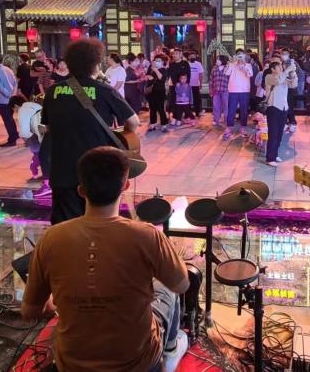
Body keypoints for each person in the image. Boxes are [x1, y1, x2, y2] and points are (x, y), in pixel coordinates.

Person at [21, 147, 189, 371]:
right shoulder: (147, 235)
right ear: (125, 185)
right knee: (165, 288)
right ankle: (170, 350)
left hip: (72, 365)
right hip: (138, 364)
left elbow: (29, 312)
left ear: (81, 190)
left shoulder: (51, 238)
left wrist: (56, 300)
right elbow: (181, 284)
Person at [42, 38, 139, 224]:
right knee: (98, 224)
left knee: (65, 226)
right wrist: (120, 136)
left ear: (69, 64)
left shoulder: (53, 91)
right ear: (95, 65)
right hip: (96, 171)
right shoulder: (104, 90)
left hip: (62, 171)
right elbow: (133, 122)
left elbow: (48, 126)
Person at [263, 60, 297, 166]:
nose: (281, 68)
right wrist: (287, 71)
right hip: (273, 108)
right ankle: (270, 158)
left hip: (283, 108)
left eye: (281, 67)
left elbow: (293, 84)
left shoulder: (283, 77)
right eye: (279, 67)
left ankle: (275, 154)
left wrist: (293, 73)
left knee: (279, 134)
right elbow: (278, 81)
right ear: (273, 69)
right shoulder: (269, 77)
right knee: (273, 134)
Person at [223, 52, 254, 140]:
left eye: (241, 57)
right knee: (231, 109)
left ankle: (243, 127)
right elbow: (226, 73)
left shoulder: (248, 65)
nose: (240, 58)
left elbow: (250, 74)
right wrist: (231, 63)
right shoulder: (232, 64)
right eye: (238, 57)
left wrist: (244, 65)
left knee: (244, 110)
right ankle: (229, 127)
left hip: (244, 91)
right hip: (233, 90)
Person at [0, 53, 20, 148]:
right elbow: (15, 82)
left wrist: (8, 95)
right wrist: (13, 94)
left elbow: (0, 87)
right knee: (10, 118)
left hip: (3, 99)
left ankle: (12, 139)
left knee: (7, 120)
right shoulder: (8, 69)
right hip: (11, 98)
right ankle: (15, 134)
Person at [144, 55, 170, 132]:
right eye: (156, 60)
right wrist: (148, 77)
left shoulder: (163, 69)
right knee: (152, 109)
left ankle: (164, 125)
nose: (157, 62)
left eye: (159, 61)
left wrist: (155, 70)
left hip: (160, 92)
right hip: (151, 92)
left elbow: (161, 78)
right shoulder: (151, 68)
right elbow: (146, 76)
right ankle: (152, 124)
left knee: (161, 109)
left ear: (162, 62)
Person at [166, 49, 190, 127]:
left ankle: (179, 119)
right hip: (173, 86)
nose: (174, 55)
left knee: (181, 103)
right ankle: (174, 118)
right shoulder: (171, 64)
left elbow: (188, 74)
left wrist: (186, 84)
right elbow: (169, 75)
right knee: (173, 102)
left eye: (176, 53)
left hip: (183, 86)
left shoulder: (185, 63)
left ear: (180, 54)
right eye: (173, 54)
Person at [209, 55, 229, 127]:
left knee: (226, 106)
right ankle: (216, 120)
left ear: (222, 60)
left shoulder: (227, 69)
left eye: (218, 59)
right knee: (216, 106)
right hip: (216, 91)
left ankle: (227, 119)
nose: (217, 61)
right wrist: (210, 89)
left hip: (225, 90)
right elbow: (211, 80)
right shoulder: (214, 69)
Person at [187, 52, 204, 117]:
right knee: (188, 99)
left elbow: (201, 74)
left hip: (196, 84)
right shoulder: (186, 63)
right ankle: (188, 113)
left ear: (195, 57)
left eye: (193, 56)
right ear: (188, 57)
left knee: (197, 99)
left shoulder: (198, 64)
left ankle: (197, 112)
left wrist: (200, 83)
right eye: (191, 56)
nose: (192, 57)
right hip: (188, 85)